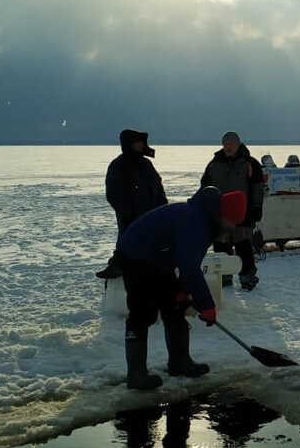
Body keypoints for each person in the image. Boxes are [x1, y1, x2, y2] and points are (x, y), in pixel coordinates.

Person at [115, 186, 248, 389]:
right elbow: (188, 267)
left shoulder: (204, 220)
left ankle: (179, 363)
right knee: (142, 312)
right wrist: (207, 305)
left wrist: (183, 291)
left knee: (175, 305)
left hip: (158, 258)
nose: (231, 227)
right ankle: (136, 375)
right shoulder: (196, 221)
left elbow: (188, 260)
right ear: (222, 214)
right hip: (136, 256)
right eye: (231, 222)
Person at [96, 129, 167, 279]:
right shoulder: (118, 165)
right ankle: (116, 269)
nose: (142, 144)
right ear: (130, 144)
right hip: (131, 217)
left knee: (153, 247)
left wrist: (163, 207)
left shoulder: (146, 164)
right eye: (138, 142)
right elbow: (113, 194)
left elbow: (157, 186)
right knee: (125, 245)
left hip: (153, 214)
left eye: (142, 142)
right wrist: (128, 214)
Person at [201, 131, 265, 291]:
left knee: (244, 248)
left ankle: (248, 277)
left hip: (243, 214)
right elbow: (205, 188)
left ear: (238, 144)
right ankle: (224, 277)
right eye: (225, 144)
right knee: (221, 247)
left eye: (231, 144)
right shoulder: (214, 164)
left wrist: (256, 206)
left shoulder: (250, 163)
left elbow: (258, 187)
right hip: (221, 215)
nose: (228, 147)